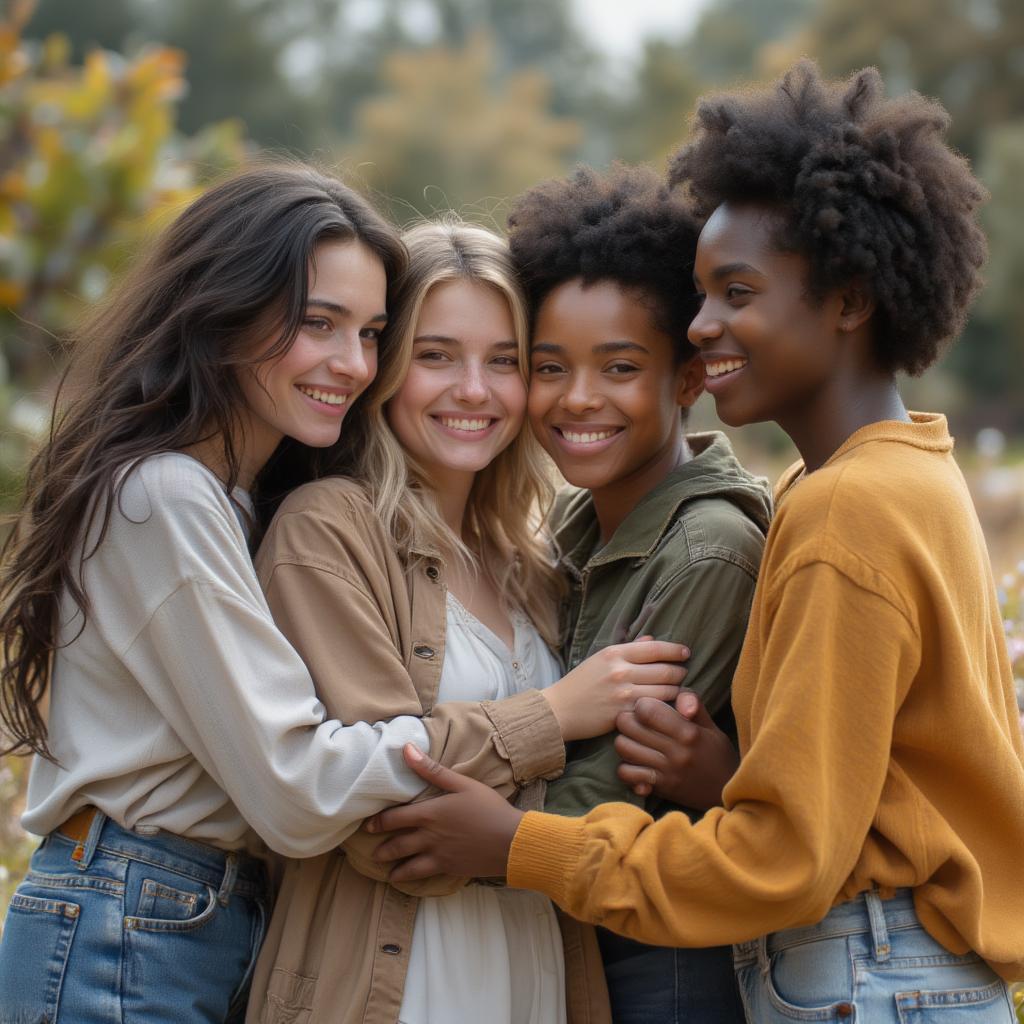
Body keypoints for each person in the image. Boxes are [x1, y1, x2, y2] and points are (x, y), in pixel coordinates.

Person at [367, 63, 1024, 1020]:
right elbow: (864, 789)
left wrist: (515, 843)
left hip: (869, 970)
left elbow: (786, 862)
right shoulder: (890, 476)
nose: (704, 323)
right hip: (879, 965)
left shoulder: (847, 511)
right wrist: (723, 771)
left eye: (735, 293)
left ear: (848, 298)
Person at [245, 221, 688, 1024]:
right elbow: (372, 820)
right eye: (436, 355)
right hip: (395, 985)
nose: (475, 390)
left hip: (534, 978)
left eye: (505, 360)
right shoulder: (329, 530)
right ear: (385, 372)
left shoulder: (535, 563)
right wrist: (554, 713)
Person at [505, 163, 769, 1022]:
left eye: (619, 367)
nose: (578, 398)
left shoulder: (707, 550)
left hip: (663, 967)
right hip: (579, 943)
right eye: (549, 367)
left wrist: (462, 793)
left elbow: (601, 800)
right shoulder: (576, 527)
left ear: (689, 379)